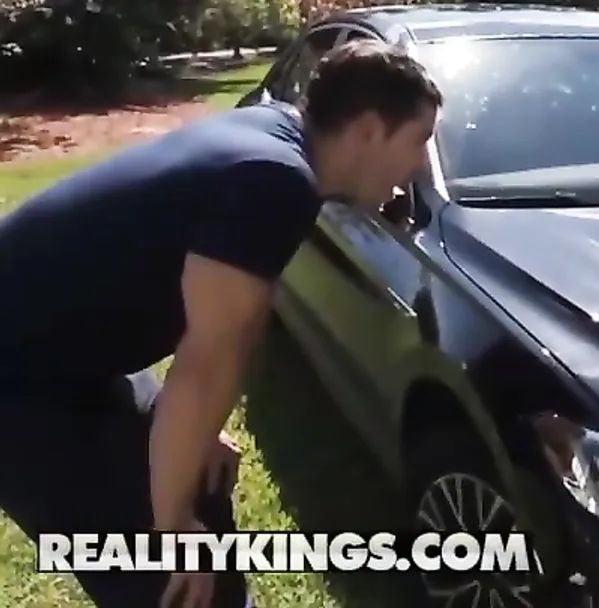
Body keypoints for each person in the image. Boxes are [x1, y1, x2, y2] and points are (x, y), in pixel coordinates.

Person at [0, 39, 442, 608]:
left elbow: (215, 331)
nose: (418, 168)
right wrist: (170, 528)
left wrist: (198, 440)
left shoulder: (274, 136)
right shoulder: (274, 181)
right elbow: (208, 365)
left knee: (201, 486)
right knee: (166, 578)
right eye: (418, 140)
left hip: (66, 357)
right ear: (369, 131)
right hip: (20, 389)